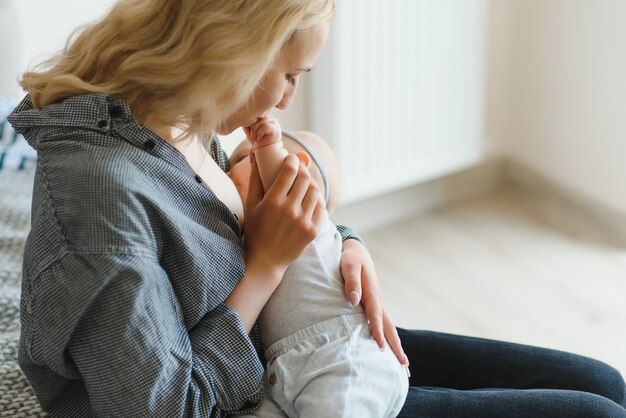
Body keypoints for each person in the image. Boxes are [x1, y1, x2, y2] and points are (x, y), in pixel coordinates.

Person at [7, 0, 626, 416]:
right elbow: (169, 406)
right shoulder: (101, 198)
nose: (287, 97)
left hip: (292, 344)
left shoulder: (169, 112)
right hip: (263, 395)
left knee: (603, 382)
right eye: (293, 75)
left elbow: (228, 215)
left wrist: (344, 242)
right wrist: (270, 266)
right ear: (234, 54)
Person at [227, 125, 409, 417]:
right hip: (287, 370)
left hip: (341, 354)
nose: (227, 173)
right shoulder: (261, 231)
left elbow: (277, 175)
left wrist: (266, 142)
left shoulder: (293, 214)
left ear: (296, 167)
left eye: (242, 159)